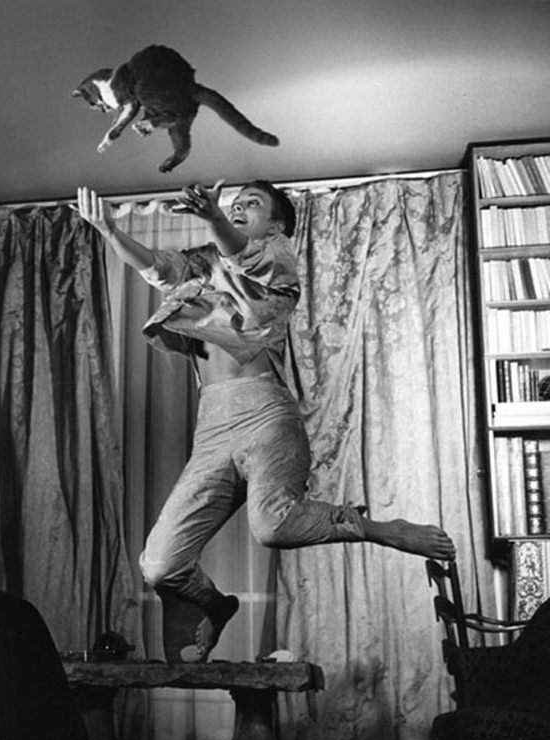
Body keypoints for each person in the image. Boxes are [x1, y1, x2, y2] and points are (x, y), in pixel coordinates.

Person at [76, 180, 456, 663]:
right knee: (159, 563)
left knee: (272, 527)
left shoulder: (277, 258)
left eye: (250, 204)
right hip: (212, 428)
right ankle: (215, 605)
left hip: (266, 414)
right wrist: (109, 231)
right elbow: (157, 268)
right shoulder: (203, 263)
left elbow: (246, 259)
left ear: (275, 224)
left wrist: (214, 216)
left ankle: (377, 527)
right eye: (233, 205)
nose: (237, 209)